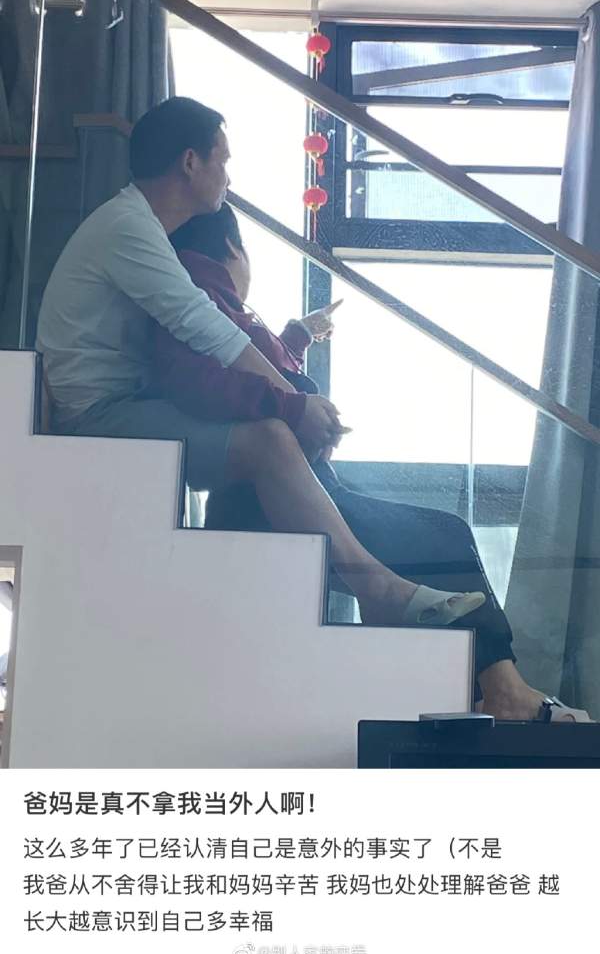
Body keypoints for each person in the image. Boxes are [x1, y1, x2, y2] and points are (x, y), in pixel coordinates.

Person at [36, 96, 487, 637]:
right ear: (190, 162)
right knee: (271, 440)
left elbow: (210, 333)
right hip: (98, 419)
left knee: (270, 434)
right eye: (223, 159)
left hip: (127, 405)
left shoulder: (138, 226)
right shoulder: (129, 227)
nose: (228, 175)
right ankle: (378, 592)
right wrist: (295, 405)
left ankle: (338, 598)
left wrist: (293, 385)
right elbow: (204, 327)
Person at [153, 201, 590, 724]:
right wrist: (297, 409)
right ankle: (504, 690)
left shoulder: (214, 303)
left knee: (435, 548)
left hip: (286, 486)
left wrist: (298, 338)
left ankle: (489, 685)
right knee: (444, 538)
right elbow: (217, 381)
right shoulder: (201, 291)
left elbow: (255, 368)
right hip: (277, 494)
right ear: (232, 249)